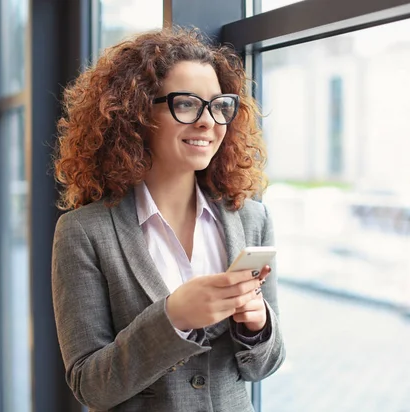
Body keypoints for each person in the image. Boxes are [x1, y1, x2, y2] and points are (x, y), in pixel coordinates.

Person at [51, 27, 285, 412]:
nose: (209, 122)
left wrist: (257, 323)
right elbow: (89, 385)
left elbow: (264, 366)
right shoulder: (83, 232)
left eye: (219, 105)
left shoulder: (251, 218)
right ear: (137, 113)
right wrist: (172, 318)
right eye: (188, 104)